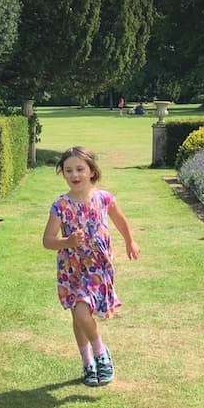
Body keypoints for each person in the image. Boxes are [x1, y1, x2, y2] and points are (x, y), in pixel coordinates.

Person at [42, 147, 141, 386]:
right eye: (68, 170)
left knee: (83, 310)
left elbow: (120, 220)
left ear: (91, 171)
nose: (74, 174)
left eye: (79, 169)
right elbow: (47, 240)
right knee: (78, 315)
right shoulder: (60, 205)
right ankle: (88, 361)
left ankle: (100, 353)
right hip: (72, 268)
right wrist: (67, 242)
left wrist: (130, 241)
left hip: (97, 265)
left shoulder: (104, 198)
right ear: (63, 174)